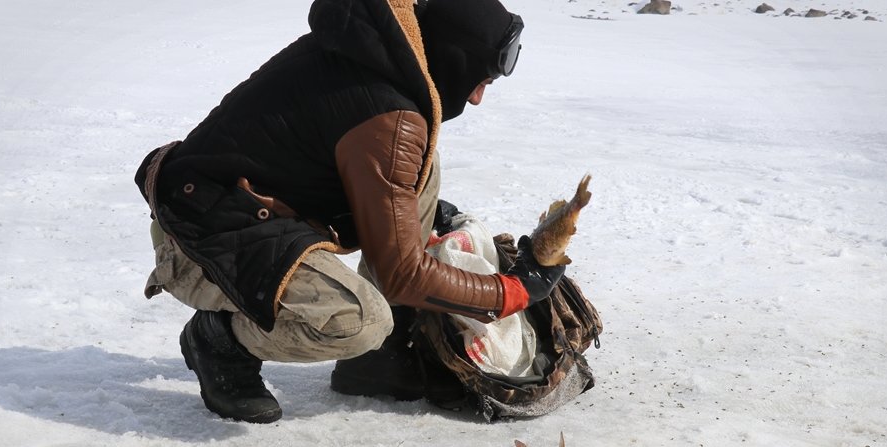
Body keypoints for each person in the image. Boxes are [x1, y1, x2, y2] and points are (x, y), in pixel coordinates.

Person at [134, 0, 566, 423]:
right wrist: (512, 292)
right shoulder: (389, 114)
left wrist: (407, 212)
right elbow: (402, 275)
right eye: (480, 80)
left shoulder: (370, 51)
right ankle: (220, 342)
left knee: (420, 164)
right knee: (359, 321)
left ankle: (377, 361)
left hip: (239, 215)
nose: (476, 98)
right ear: (453, 60)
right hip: (196, 242)